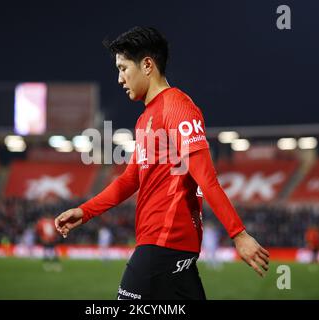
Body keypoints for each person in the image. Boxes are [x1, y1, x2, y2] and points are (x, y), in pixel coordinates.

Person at [55, 26, 269, 299]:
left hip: (163, 244)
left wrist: (238, 234)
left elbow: (206, 178)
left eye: (123, 68)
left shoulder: (178, 107)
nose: (120, 79)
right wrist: (84, 211)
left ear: (147, 65)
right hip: (168, 247)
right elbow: (130, 179)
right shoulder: (145, 119)